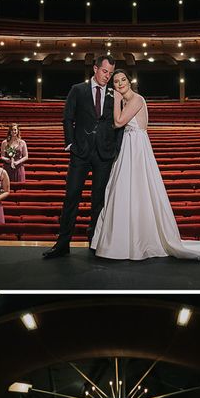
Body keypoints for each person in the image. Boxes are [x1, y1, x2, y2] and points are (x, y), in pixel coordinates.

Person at [91, 70, 200, 262]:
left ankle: (139, 241)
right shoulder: (125, 101)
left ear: (129, 82)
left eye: (123, 80)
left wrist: (115, 99)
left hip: (136, 148)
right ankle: (121, 241)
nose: (120, 83)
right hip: (128, 146)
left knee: (138, 190)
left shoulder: (136, 99)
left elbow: (118, 122)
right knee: (122, 190)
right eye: (116, 82)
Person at [43, 54, 123, 259]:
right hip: (80, 153)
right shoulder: (77, 90)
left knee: (99, 201)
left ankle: (95, 243)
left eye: (111, 73)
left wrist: (116, 149)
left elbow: (119, 123)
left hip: (104, 154)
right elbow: (67, 118)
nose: (108, 76)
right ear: (95, 69)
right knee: (71, 197)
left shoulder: (115, 94)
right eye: (105, 71)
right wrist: (70, 144)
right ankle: (62, 244)